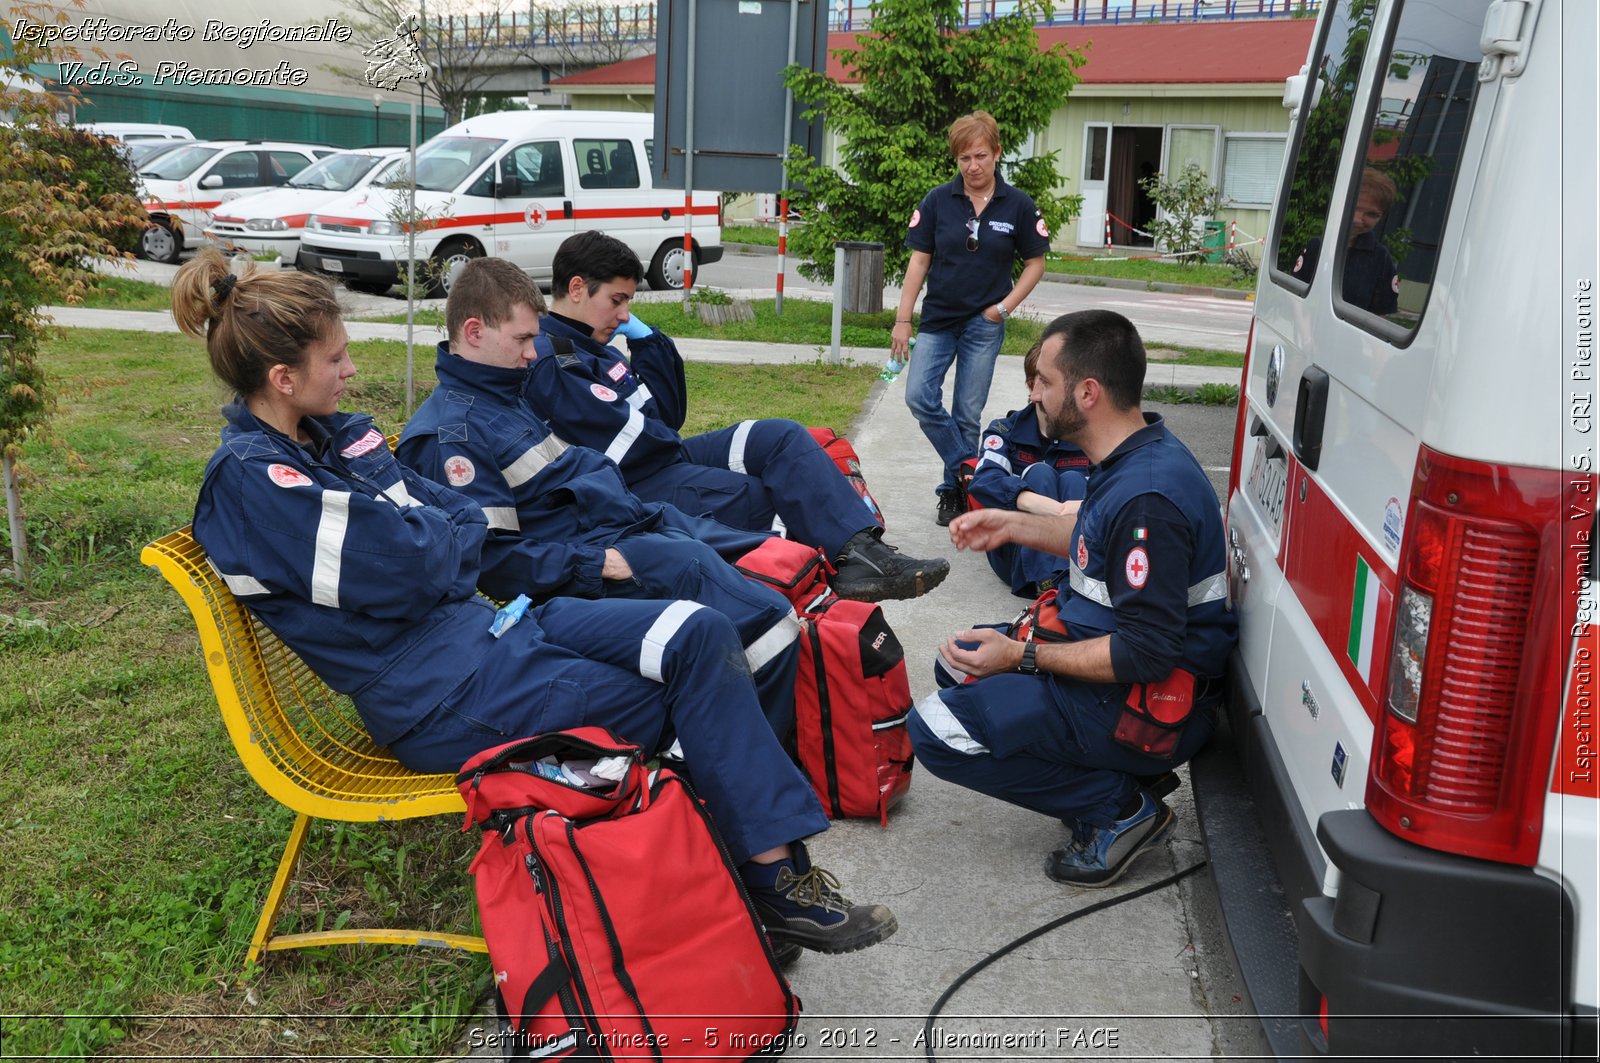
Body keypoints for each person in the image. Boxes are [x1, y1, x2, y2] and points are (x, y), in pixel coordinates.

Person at [172, 248, 896, 955]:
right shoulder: (254, 483)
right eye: (335, 360)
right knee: (664, 700)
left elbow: (451, 536)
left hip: (488, 634)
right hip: (438, 691)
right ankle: (768, 884)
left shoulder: (333, 438)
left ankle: (758, 881)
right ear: (282, 378)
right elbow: (421, 559)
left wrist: (430, 539)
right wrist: (429, 536)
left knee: (700, 635)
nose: (352, 370)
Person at [395, 256, 802, 741]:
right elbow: (494, 561)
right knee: (768, 621)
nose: (532, 353)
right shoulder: (451, 435)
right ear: (475, 331)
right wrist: (599, 563)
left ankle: (758, 752)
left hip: (634, 528)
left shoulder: (507, 391)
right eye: (523, 339)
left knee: (779, 568)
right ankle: (755, 757)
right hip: (593, 569)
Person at [907, 309, 1237, 888]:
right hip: (1109, 673)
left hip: (1149, 704)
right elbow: (1092, 538)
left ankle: (1120, 808)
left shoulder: (1148, 498)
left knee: (934, 730)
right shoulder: (1135, 456)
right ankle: (1105, 780)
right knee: (954, 661)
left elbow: (1147, 654)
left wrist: (1020, 657)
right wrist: (1013, 526)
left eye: (1045, 381)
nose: (1033, 390)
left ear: (1087, 393)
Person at [525, 229, 950, 603]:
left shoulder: (594, 347)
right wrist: (656, 423)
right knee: (758, 495)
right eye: (617, 301)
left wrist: (649, 339)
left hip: (663, 457)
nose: (623, 315)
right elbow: (633, 443)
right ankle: (832, 582)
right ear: (577, 288)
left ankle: (864, 554)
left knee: (782, 437)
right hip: (632, 484)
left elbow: (668, 416)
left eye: (629, 304)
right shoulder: (553, 359)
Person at [891, 110, 1050, 527]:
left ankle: (952, 493)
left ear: (997, 153)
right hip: (939, 320)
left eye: (980, 156)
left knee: (966, 413)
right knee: (919, 398)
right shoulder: (938, 200)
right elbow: (919, 260)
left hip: (985, 324)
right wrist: (903, 319)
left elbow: (1036, 262)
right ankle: (968, 468)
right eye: (964, 158)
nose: (972, 166)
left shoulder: (1017, 205)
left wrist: (1005, 307)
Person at [965, 340, 1090, 598]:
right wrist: (1044, 505)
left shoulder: (1088, 436)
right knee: (1039, 474)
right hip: (1013, 551)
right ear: (1032, 385)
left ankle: (1066, 581)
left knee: (1074, 479)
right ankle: (1049, 584)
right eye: (1045, 381)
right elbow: (984, 480)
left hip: (1077, 550)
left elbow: (1117, 482)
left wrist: (1078, 506)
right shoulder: (1005, 431)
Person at [1290, 166, 1401, 314]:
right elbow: (1295, 296)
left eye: (1372, 214)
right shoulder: (1317, 247)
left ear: (1382, 217)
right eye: (1354, 208)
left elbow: (1382, 315)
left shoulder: (1381, 259)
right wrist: (1305, 333)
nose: (1357, 219)